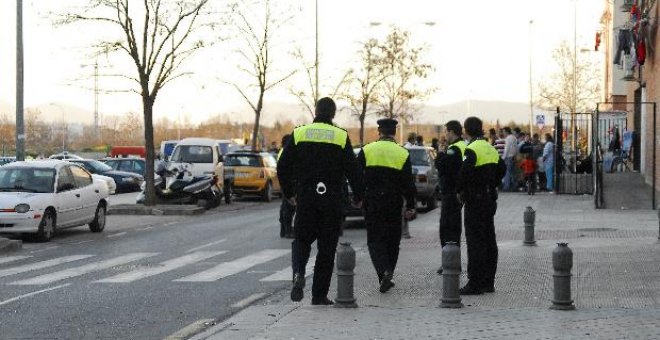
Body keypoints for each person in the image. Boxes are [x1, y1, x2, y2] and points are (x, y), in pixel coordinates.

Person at [277, 97, 364, 305]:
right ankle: (318, 295)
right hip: (331, 200)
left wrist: (289, 193)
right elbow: (354, 171)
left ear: (315, 111)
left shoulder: (299, 133)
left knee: (301, 241)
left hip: (306, 197)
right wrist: (359, 196)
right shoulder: (341, 136)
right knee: (326, 249)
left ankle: (298, 272)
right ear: (333, 114)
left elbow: (282, 166)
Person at [357, 118, 416, 293]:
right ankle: (389, 270)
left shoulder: (366, 150)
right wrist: (411, 205)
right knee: (392, 239)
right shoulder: (402, 153)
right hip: (393, 201)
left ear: (379, 131)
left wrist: (358, 197)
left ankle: (382, 273)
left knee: (375, 239)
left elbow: (357, 176)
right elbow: (408, 182)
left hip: (373, 201)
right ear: (394, 132)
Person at [456, 117, 505, 295]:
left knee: (475, 241)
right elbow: (502, 168)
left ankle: (474, 283)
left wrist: (459, 190)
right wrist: (493, 184)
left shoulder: (471, 149)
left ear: (466, 130)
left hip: (475, 200)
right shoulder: (490, 148)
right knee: (489, 240)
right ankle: (488, 282)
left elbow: (464, 174)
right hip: (489, 198)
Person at [434, 120, 466, 275]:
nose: (445, 134)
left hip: (451, 193)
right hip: (457, 192)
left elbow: (442, 166)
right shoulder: (463, 145)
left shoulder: (454, 149)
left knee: (447, 228)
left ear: (452, 132)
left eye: (446, 131)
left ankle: (450, 262)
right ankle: (453, 261)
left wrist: (440, 152)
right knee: (453, 227)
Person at [278, 134, 295, 239]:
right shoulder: (285, 152)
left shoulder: (282, 151)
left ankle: (284, 230)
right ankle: (287, 230)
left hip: (285, 181)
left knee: (285, 207)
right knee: (288, 207)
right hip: (287, 182)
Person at [502, 127, 518, 191]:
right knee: (512, 172)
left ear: (506, 132)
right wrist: (515, 155)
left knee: (507, 172)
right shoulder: (514, 137)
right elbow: (516, 147)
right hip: (513, 157)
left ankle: (506, 187)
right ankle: (514, 187)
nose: (503, 133)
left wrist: (503, 157)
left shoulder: (508, 138)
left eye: (503, 131)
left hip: (508, 157)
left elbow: (506, 148)